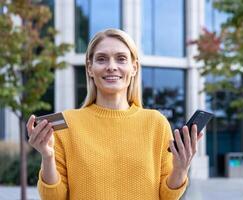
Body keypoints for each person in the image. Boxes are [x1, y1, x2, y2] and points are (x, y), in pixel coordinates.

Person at [27, 28, 203, 200]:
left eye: (121, 59)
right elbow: (54, 198)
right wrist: (47, 157)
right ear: (90, 68)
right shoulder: (68, 124)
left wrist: (181, 169)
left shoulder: (156, 123)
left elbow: (167, 196)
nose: (111, 67)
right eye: (102, 59)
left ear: (134, 68)